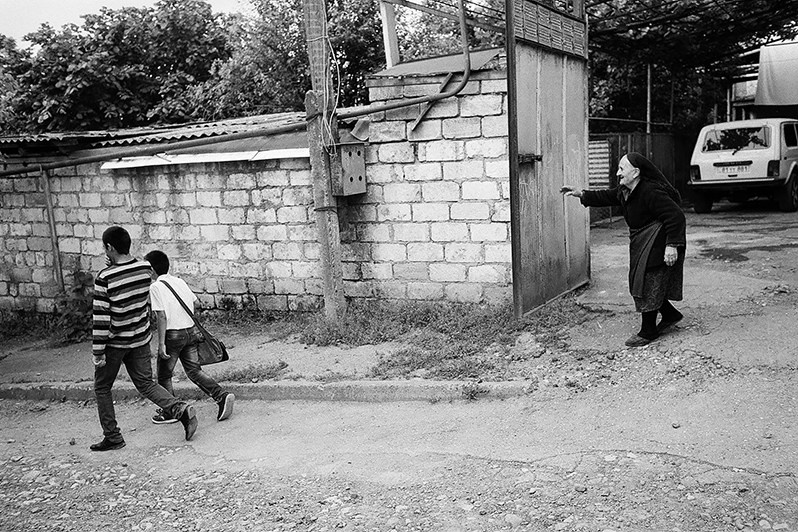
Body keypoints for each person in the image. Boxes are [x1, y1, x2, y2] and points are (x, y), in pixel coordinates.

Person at [562, 152, 686, 347]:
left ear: (636, 172)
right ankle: (671, 315)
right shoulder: (625, 191)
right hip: (641, 240)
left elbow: (676, 216)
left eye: (622, 169)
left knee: (647, 281)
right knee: (645, 280)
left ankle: (648, 330)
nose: (618, 173)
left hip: (658, 240)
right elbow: (607, 196)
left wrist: (672, 246)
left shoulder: (650, 191)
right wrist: (582, 194)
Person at [91, 226, 198, 451]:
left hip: (115, 343)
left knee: (102, 388)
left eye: (106, 247)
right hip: (140, 339)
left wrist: (98, 352)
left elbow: (101, 319)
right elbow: (133, 275)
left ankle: (113, 437)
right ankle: (180, 409)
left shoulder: (104, 278)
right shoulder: (145, 268)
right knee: (147, 384)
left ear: (109, 247)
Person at [144, 250, 235, 424]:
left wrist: (161, 343)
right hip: (190, 331)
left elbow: (161, 316)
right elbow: (195, 303)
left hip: (172, 335)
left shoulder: (155, 287)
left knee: (164, 376)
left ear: (152, 270)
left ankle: (170, 411)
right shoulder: (179, 281)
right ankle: (222, 396)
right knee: (194, 371)